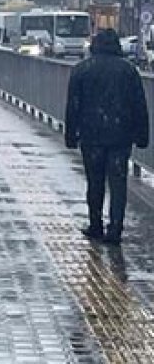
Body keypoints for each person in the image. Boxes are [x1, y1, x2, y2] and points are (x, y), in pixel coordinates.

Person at [66, 29, 149, 244]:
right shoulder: (129, 71)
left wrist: (71, 134)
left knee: (95, 182)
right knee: (118, 181)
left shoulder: (82, 70)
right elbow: (139, 105)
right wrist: (142, 135)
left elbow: (73, 105)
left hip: (91, 135)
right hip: (121, 136)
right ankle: (115, 229)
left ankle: (95, 225)